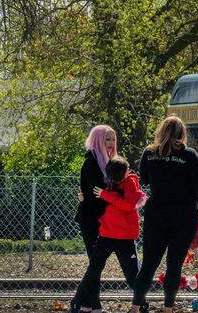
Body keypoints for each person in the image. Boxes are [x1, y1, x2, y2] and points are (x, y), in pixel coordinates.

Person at [129, 116, 198, 313]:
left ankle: (135, 307)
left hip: (156, 213)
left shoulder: (149, 153)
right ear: (182, 133)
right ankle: (168, 308)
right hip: (184, 215)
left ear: (161, 131)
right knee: (174, 264)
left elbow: (144, 180)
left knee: (149, 264)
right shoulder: (189, 155)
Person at [71, 156, 144, 313]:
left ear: (126, 171)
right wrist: (84, 196)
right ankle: (82, 303)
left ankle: (141, 305)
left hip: (125, 237)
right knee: (94, 269)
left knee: (132, 274)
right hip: (106, 235)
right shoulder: (108, 183)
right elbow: (94, 195)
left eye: (121, 173)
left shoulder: (130, 183)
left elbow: (128, 205)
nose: (116, 177)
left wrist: (106, 195)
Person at [72, 125, 117, 312]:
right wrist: (114, 194)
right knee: (96, 262)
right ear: (98, 139)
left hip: (104, 219)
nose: (111, 143)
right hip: (91, 219)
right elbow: (96, 192)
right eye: (107, 139)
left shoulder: (110, 162)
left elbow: (107, 191)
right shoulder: (91, 161)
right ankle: (86, 302)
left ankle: (85, 304)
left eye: (113, 139)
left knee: (97, 263)